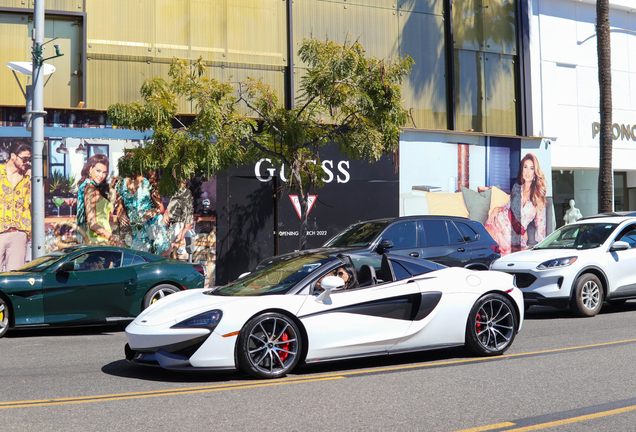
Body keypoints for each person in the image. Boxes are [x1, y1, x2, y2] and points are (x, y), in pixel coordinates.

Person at [485, 153, 547, 256]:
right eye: (525, 167)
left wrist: (542, 251)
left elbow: (541, 229)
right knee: (484, 246)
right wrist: (496, 209)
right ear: (522, 170)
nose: (527, 171)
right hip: (499, 223)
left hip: (514, 237)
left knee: (505, 259)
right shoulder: (516, 189)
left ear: (535, 173)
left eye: (531, 168)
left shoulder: (538, 198)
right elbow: (507, 208)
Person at [115, 171, 171, 255]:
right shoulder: (120, 185)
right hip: (137, 231)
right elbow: (120, 208)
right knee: (137, 260)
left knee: (162, 258)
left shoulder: (148, 183)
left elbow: (161, 208)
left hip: (154, 226)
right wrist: (120, 215)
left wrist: (153, 211)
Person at [76, 154, 124, 246]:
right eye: (98, 171)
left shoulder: (96, 188)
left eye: (104, 172)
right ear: (90, 169)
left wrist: (112, 188)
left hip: (105, 240)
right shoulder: (90, 189)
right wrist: (115, 238)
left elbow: (110, 212)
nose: (101, 175)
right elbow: (92, 224)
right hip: (97, 242)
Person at [0, 142, 32, 271]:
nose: (27, 162)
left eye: (29, 159)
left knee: (15, 277)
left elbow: (35, 201)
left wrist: (33, 177)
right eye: (24, 159)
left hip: (20, 231)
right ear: (13, 156)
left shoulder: (27, 177)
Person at [163, 179, 194, 257]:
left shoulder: (186, 194)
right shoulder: (176, 193)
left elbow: (188, 225)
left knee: (164, 256)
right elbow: (171, 208)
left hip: (179, 231)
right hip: (171, 230)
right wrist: (166, 212)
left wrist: (174, 243)